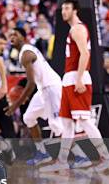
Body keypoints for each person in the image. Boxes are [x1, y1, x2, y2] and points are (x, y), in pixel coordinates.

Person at [42, 0, 109, 173]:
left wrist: (79, 79)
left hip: (78, 77)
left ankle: (107, 157)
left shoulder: (78, 28)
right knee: (67, 123)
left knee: (84, 121)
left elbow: (85, 53)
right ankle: (62, 160)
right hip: (69, 79)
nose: (63, 11)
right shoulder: (72, 30)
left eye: (67, 8)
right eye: (62, 8)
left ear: (75, 10)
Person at [6, 27, 91, 169]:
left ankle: (81, 156)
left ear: (23, 37)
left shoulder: (26, 53)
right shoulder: (25, 51)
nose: (12, 36)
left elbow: (30, 83)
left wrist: (16, 104)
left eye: (16, 34)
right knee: (28, 118)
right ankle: (42, 153)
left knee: (58, 126)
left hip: (51, 88)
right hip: (43, 89)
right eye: (10, 34)